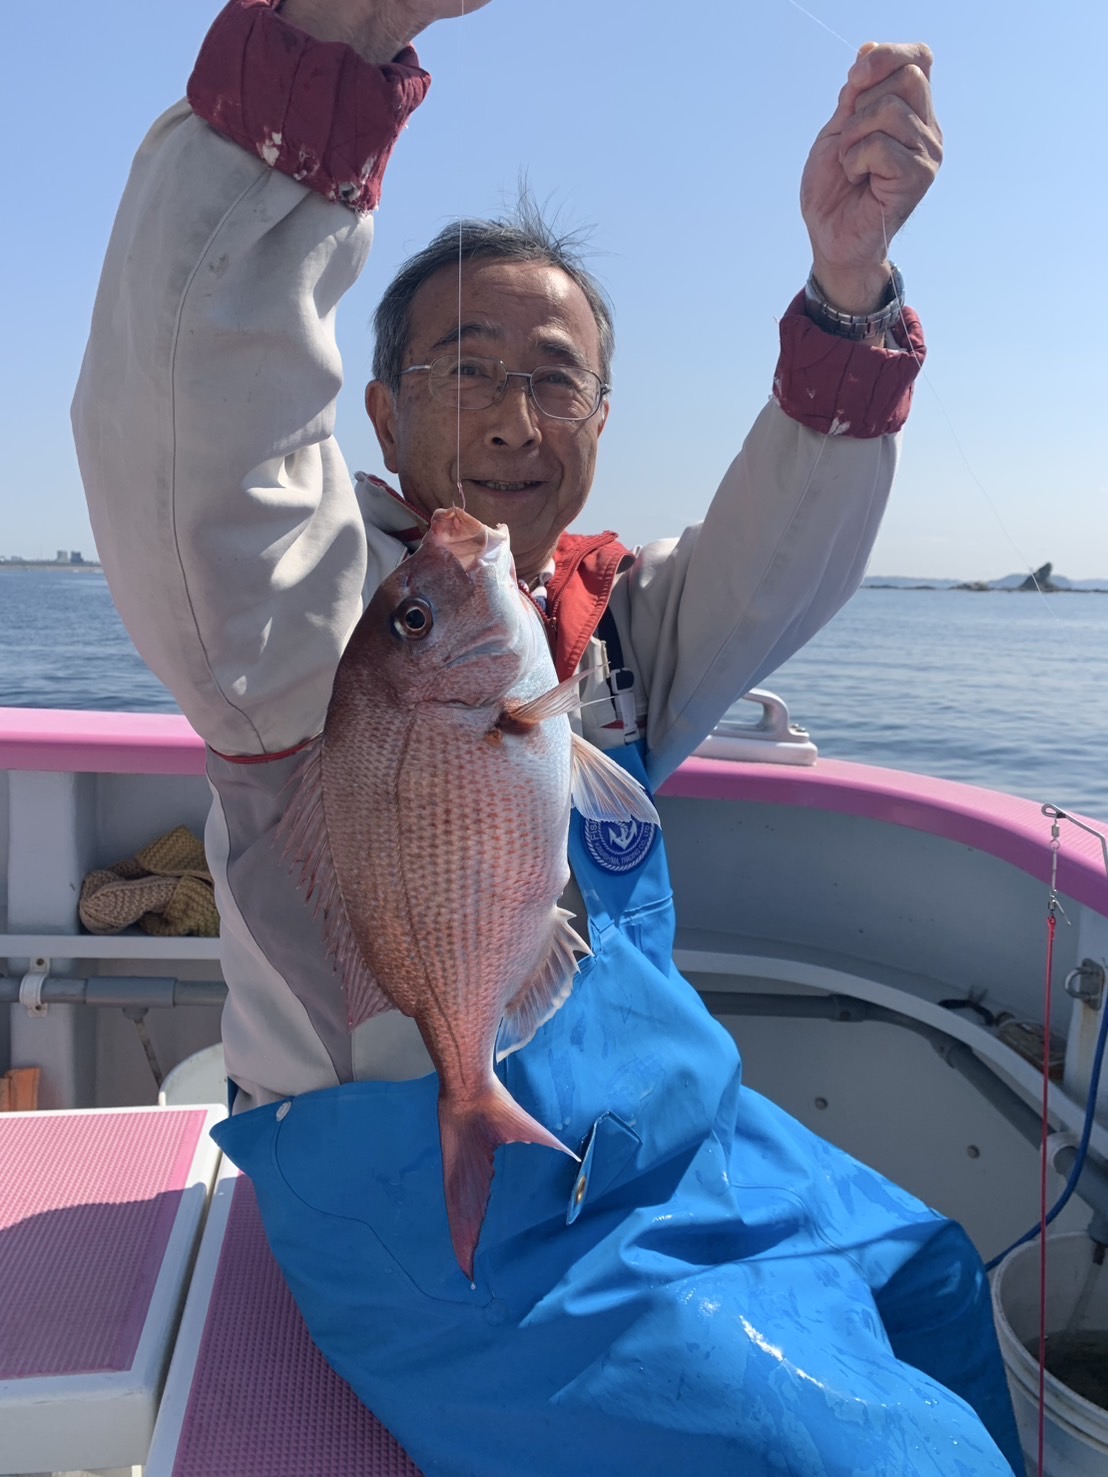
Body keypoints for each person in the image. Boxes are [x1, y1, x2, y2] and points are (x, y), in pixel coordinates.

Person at [73, 1, 1021, 1472]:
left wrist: (848, 287)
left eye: (556, 377)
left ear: (601, 417)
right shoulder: (314, 620)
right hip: (442, 1223)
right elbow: (200, 435)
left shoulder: (603, 623)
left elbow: (780, 560)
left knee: (935, 1281)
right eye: (465, 368)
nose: (517, 418)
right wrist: (322, 48)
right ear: (380, 412)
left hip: (676, 1139)